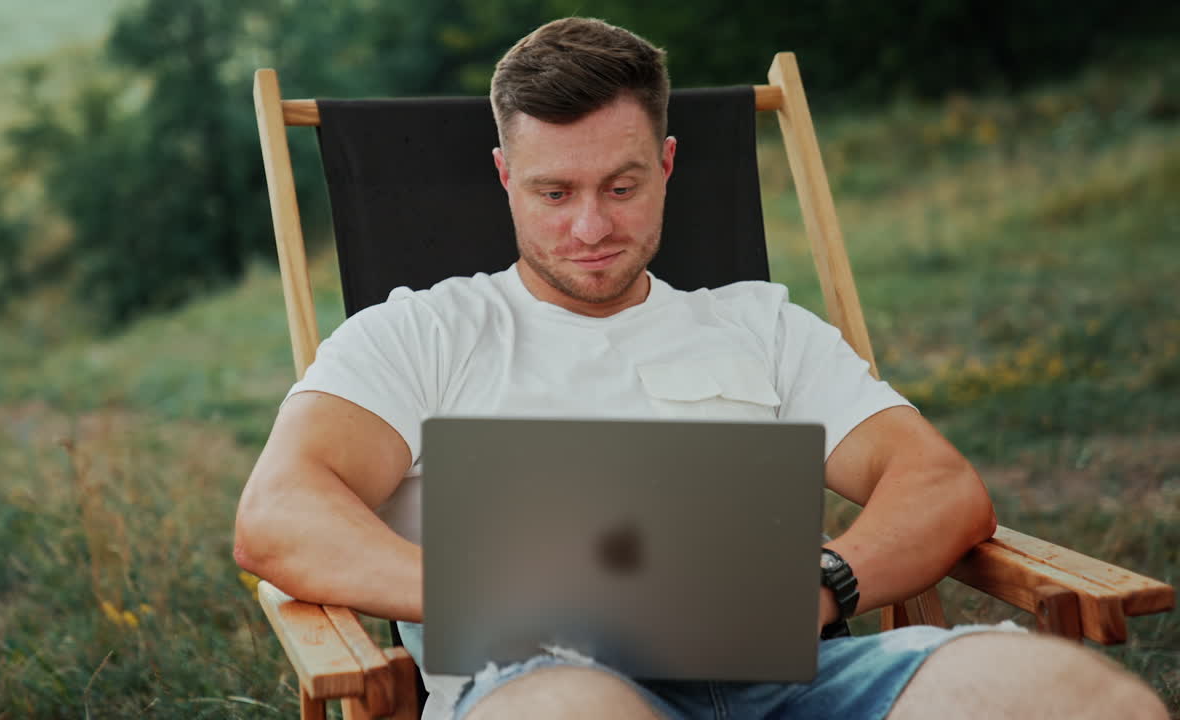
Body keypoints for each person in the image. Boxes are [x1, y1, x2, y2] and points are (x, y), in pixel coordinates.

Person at [233, 17, 1167, 720]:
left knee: (1071, 696)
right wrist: (489, 587)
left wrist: (823, 584)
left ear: (669, 163)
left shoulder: (759, 324)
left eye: (623, 186)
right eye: (554, 192)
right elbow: (278, 517)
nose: (590, 227)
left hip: (797, 682)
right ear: (504, 177)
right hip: (545, 684)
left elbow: (939, 485)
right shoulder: (418, 335)